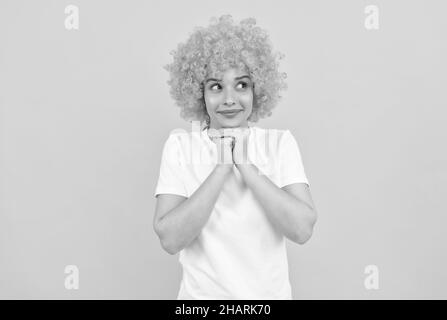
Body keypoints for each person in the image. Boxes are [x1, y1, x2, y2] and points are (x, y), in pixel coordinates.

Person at [153, 15, 318, 300]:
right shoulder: (180, 146)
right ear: (199, 93)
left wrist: (245, 164)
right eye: (216, 86)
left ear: (257, 89)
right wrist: (222, 167)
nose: (229, 99)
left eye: (241, 85)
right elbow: (170, 238)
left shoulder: (280, 144)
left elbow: (302, 229)